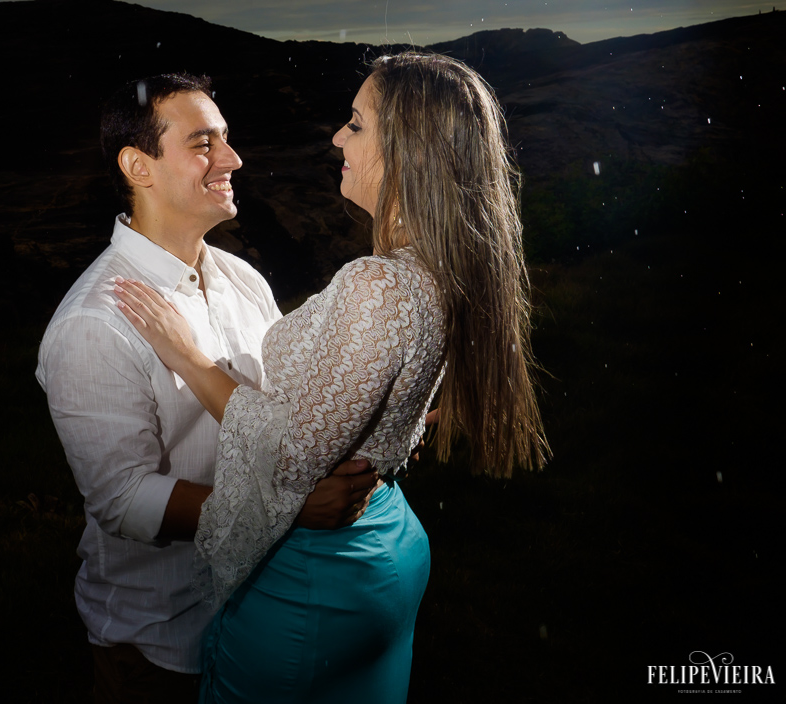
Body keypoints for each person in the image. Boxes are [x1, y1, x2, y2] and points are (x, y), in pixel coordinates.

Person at [114, 52, 550, 703]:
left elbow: (290, 457)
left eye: (356, 124)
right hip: (383, 543)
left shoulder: (377, 282)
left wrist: (189, 359)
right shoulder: (438, 269)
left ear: (408, 149)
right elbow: (398, 399)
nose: (337, 138)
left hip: (316, 578)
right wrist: (391, 432)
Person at [35, 73, 381, 704]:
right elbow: (123, 499)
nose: (233, 160)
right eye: (203, 144)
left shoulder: (240, 277)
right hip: (162, 643)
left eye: (227, 139)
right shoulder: (94, 321)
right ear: (138, 166)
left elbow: (284, 410)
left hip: (265, 616)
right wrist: (291, 508)